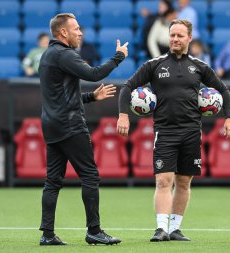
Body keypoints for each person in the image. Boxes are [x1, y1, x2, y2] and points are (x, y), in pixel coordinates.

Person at [117, 19, 230, 242]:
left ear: (189, 38)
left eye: (180, 36)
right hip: (165, 132)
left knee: (183, 182)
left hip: (192, 132)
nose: (175, 39)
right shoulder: (155, 64)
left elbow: (224, 90)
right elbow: (127, 88)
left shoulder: (199, 67)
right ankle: (161, 228)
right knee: (163, 180)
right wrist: (123, 114)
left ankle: (174, 229)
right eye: (172, 35)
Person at [38, 13, 129, 246]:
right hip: (70, 125)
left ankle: (47, 234)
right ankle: (94, 231)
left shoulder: (48, 55)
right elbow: (94, 74)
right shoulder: (65, 54)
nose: (80, 32)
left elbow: (61, 95)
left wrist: (90, 97)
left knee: (53, 181)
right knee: (90, 175)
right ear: (63, 32)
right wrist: (118, 57)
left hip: (51, 125)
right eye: (76, 28)